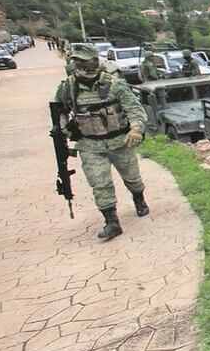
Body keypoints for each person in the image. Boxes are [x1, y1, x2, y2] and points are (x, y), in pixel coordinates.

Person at [52, 45, 149, 240]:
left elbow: (134, 109)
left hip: (119, 141)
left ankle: (139, 198)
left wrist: (136, 128)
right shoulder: (68, 87)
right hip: (90, 145)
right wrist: (61, 127)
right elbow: (60, 109)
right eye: (80, 61)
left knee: (133, 178)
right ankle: (111, 221)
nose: (85, 65)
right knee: (100, 183)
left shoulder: (114, 84)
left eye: (88, 61)